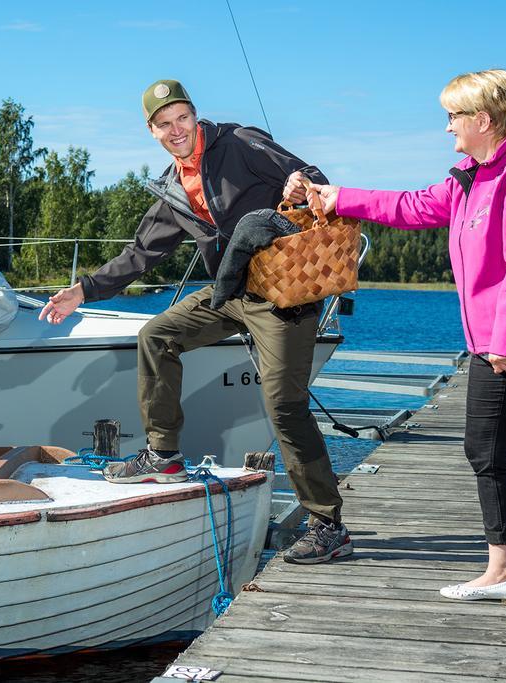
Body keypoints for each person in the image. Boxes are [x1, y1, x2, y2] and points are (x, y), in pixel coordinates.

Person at [294, 70, 506, 632]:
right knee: (484, 451)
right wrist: (339, 197)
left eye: (453, 117)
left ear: (483, 120)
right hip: (492, 342)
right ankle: (502, 571)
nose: (447, 128)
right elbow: (412, 206)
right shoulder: (471, 176)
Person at [40, 79, 352, 565]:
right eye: (164, 124)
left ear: (194, 114)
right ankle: (163, 457)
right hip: (230, 293)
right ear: (152, 131)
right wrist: (83, 290)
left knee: (284, 406)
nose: (176, 129)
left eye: (182, 117)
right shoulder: (171, 188)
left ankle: (327, 523)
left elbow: (309, 175)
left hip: (284, 292)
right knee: (156, 335)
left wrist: (300, 183)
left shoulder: (240, 143)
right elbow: (141, 254)